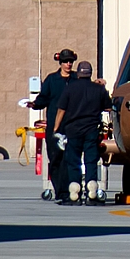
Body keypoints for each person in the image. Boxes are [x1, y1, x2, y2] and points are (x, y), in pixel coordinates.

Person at [53, 60, 112, 204]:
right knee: (91, 160)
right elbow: (109, 108)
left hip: (73, 130)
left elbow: (61, 109)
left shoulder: (70, 88)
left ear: (78, 73)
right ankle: (92, 193)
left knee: (73, 161)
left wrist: (55, 128)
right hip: (92, 129)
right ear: (90, 74)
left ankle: (74, 194)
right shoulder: (99, 89)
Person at [27, 48, 78, 201]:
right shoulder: (51, 80)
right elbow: (43, 99)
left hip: (72, 124)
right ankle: (61, 191)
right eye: (65, 61)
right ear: (60, 63)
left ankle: (73, 190)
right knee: (56, 158)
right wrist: (34, 104)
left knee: (71, 158)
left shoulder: (77, 79)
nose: (68, 64)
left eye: (70, 61)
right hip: (55, 127)